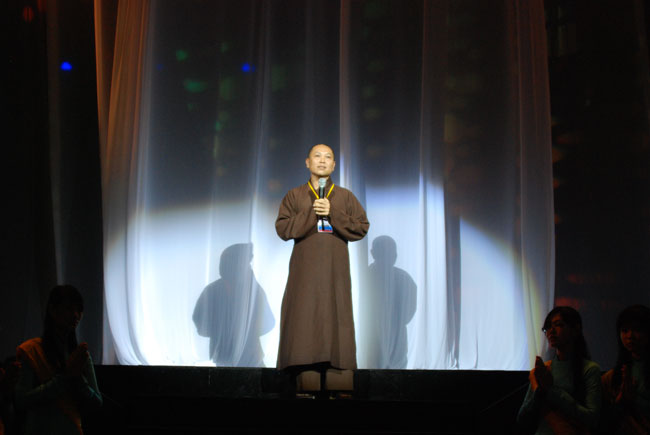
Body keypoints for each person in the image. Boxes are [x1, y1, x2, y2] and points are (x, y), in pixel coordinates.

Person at [275, 144, 369, 377]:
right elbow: (283, 229)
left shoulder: (345, 196)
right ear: (308, 162)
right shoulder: (295, 195)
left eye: (328, 157)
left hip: (335, 269)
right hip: (305, 270)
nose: (322, 160)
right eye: (317, 156)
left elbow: (361, 227)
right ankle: (302, 369)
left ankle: (339, 371)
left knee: (337, 311)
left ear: (334, 165)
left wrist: (332, 212)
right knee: (304, 312)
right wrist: (312, 212)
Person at [14, 285, 102, 435]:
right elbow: (21, 400)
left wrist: (78, 381)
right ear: (52, 310)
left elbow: (97, 402)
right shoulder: (31, 351)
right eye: (69, 308)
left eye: (79, 310)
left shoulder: (80, 355)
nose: (75, 315)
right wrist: (65, 377)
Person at [517, 306, 602, 434]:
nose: (551, 331)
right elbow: (522, 418)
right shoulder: (544, 369)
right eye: (547, 327)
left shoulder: (590, 369)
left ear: (575, 329)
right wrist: (539, 392)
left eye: (558, 325)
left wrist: (551, 390)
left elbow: (592, 419)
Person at [600, 305, 650, 434]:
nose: (630, 336)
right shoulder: (612, 376)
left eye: (637, 330)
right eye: (625, 330)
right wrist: (619, 403)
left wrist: (634, 400)